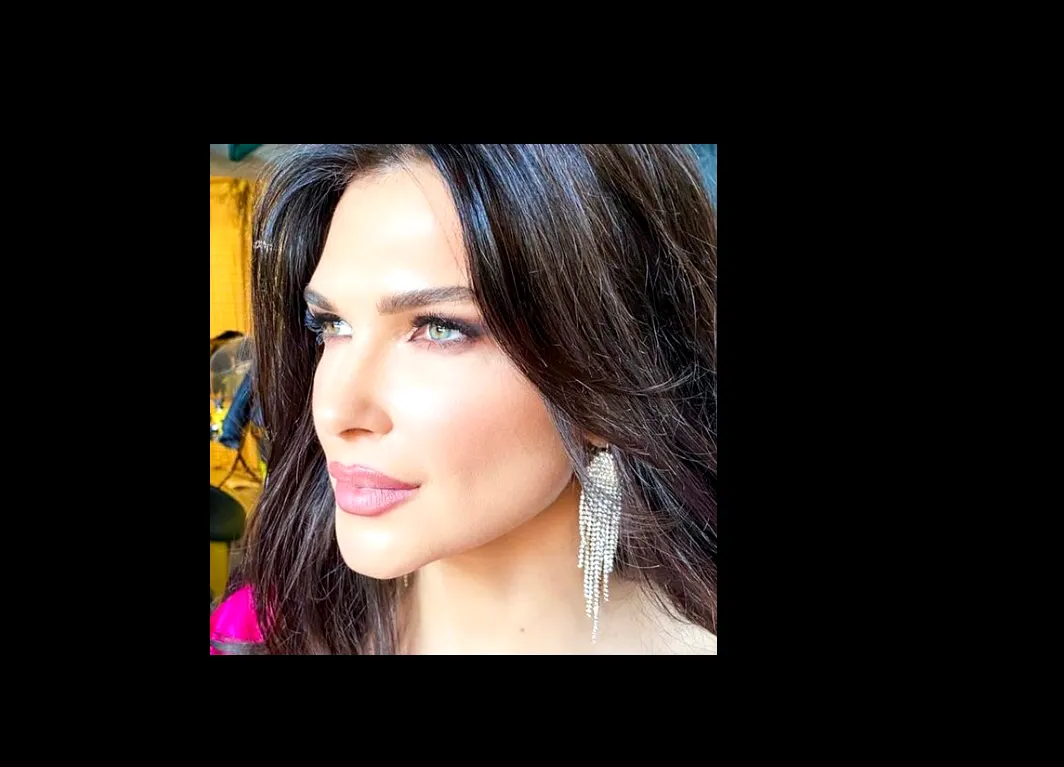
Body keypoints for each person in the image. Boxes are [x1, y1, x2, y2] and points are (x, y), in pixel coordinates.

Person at [211, 144, 717, 655]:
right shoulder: (258, 630)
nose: (335, 411)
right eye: (332, 325)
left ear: (611, 376)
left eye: (440, 329)